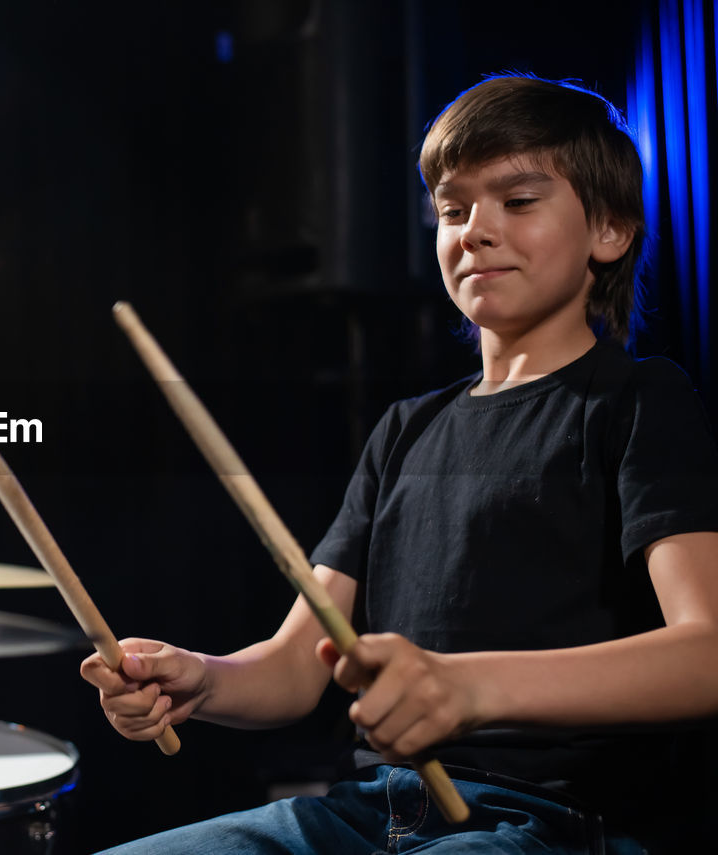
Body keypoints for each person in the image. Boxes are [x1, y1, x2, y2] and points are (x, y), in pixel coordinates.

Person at [80, 74, 718, 854]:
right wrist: (200, 679)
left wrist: (469, 686)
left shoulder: (640, 401)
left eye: (518, 201)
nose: (475, 230)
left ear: (610, 230)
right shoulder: (405, 431)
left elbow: (708, 653)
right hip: (372, 809)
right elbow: (297, 665)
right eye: (454, 209)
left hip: (549, 822)